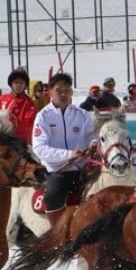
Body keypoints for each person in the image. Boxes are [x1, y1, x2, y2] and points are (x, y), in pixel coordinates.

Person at [31, 73, 97, 227]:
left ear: (72, 92)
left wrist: (94, 144)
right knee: (52, 195)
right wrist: (69, 155)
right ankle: (57, 236)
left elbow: (93, 136)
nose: (63, 94)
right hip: (58, 171)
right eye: (59, 90)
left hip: (83, 169)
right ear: (50, 92)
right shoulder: (43, 117)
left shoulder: (83, 115)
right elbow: (39, 148)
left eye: (67, 90)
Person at [0, 69, 38, 142]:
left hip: (18, 140)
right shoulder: (3, 98)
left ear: (25, 85)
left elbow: (27, 124)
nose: (18, 85)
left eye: (21, 83)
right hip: (1, 138)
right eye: (16, 82)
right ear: (11, 84)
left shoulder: (29, 103)